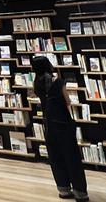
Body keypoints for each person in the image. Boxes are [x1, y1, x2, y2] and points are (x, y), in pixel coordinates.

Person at [32, 55, 88, 201]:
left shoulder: (36, 83)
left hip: (48, 124)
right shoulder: (57, 81)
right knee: (72, 156)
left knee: (55, 157)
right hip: (62, 122)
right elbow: (68, 101)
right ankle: (80, 191)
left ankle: (63, 189)